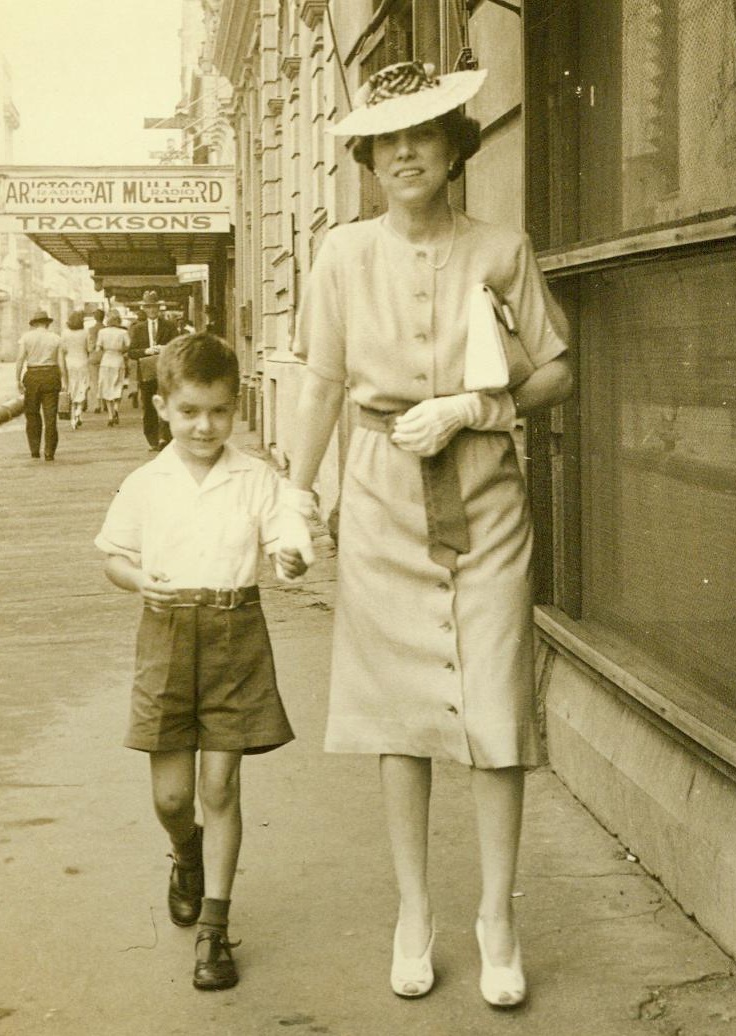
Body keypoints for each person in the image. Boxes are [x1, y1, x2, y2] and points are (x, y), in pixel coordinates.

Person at [279, 61, 574, 1008]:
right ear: (367, 156)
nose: (406, 152)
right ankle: (414, 913)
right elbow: (321, 381)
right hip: (379, 495)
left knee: (495, 705)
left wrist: (474, 410)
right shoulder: (340, 256)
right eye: (387, 138)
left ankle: (498, 917)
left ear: (455, 149)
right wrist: (296, 493)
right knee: (396, 715)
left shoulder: (501, 247)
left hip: (484, 495)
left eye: (426, 134)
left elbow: (558, 369)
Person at [94, 333, 309, 991]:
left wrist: (291, 556)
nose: (203, 426)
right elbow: (113, 557)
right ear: (163, 408)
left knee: (220, 787)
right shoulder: (146, 483)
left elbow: (286, 535)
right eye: (188, 411)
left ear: (236, 408)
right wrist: (137, 581)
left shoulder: (255, 478)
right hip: (164, 634)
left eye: (217, 411)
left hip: (234, 634)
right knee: (172, 796)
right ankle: (186, 852)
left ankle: (214, 930)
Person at [128, 290, 178, 450]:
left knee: (166, 402)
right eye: (148, 307)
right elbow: (131, 352)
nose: (152, 310)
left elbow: (178, 347)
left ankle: (165, 437)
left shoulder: (169, 326)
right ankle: (153, 439)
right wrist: (146, 351)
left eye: (154, 307)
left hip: (165, 370)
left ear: (159, 308)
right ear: (144, 309)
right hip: (147, 371)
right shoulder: (138, 328)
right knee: (149, 405)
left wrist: (166, 348)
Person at [15, 309, 67, 461]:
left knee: (32, 414)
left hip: (32, 376)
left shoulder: (26, 338)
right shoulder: (56, 338)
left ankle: (34, 449)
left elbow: (20, 360)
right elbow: (61, 364)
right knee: (50, 416)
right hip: (51, 375)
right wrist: (65, 382)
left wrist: (17, 379)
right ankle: (49, 451)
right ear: (47, 323)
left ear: (34, 323)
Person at [97, 310, 130, 426]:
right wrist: (120, 350)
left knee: (107, 387)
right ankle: (116, 407)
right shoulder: (123, 332)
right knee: (118, 385)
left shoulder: (102, 332)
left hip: (106, 360)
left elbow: (98, 347)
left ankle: (110, 415)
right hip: (118, 360)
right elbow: (128, 346)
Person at [59, 310, 89, 430]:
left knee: (71, 387)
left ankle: (72, 415)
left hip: (69, 362)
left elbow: (63, 349)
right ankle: (79, 411)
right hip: (82, 361)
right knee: (82, 386)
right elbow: (88, 348)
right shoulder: (85, 332)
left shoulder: (65, 333)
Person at [86, 307, 105, 412]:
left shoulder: (91, 330)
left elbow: (89, 346)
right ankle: (106, 402)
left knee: (94, 381)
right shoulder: (106, 329)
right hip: (105, 356)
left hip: (94, 356)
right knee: (105, 380)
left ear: (94, 317)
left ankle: (97, 404)